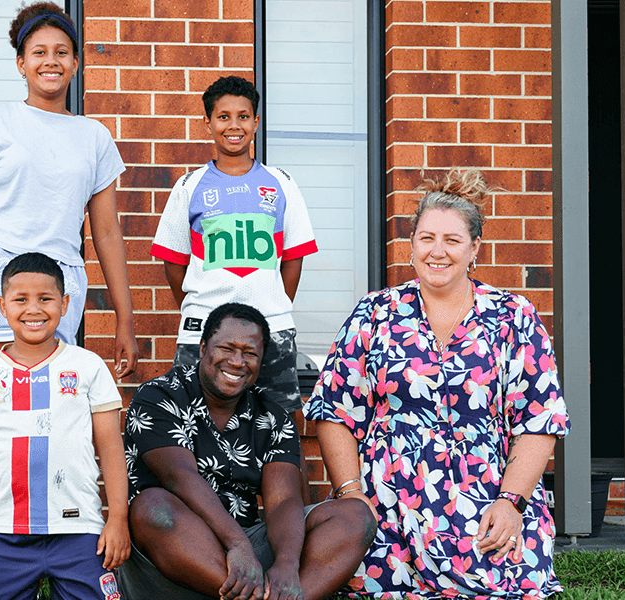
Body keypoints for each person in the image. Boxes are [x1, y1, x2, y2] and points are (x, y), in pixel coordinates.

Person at [304, 170, 571, 598]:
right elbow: (334, 410)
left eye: (452, 240)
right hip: (388, 499)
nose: (437, 252)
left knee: (501, 582)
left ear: (474, 250)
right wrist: (353, 496)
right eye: (427, 238)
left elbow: (539, 420)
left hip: (488, 494)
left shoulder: (513, 316)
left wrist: (512, 502)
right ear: (411, 246)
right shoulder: (375, 313)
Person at [0, 1, 138, 381]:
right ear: (21, 64)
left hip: (58, 284)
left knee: (46, 411)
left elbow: (107, 233)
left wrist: (124, 319)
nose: (51, 61)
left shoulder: (94, 137)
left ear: (76, 63)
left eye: (62, 52)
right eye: (39, 52)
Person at [117, 303, 373, 600]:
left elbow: (283, 501)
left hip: (249, 551)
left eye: (250, 353)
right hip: (177, 553)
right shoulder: (159, 396)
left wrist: (287, 565)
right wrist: (237, 545)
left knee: (356, 516)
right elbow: (181, 479)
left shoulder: (272, 416)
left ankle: (280, 595)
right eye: (227, 348)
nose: (237, 362)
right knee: (153, 506)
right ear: (202, 348)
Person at [0, 252, 129, 599]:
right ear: (2, 306)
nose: (33, 309)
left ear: (64, 303)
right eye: (20, 299)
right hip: (3, 531)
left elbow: (109, 445)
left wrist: (117, 516)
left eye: (45, 299)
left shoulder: (87, 367)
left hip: (78, 529)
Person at [150, 76, 317, 414]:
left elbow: (294, 258)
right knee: (190, 426)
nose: (233, 125)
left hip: (272, 331)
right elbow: (174, 262)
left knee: (275, 429)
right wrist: (198, 307)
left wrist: (273, 303)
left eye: (243, 116)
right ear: (208, 122)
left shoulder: (281, 183)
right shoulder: (189, 185)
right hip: (201, 328)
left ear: (256, 122)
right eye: (223, 116)